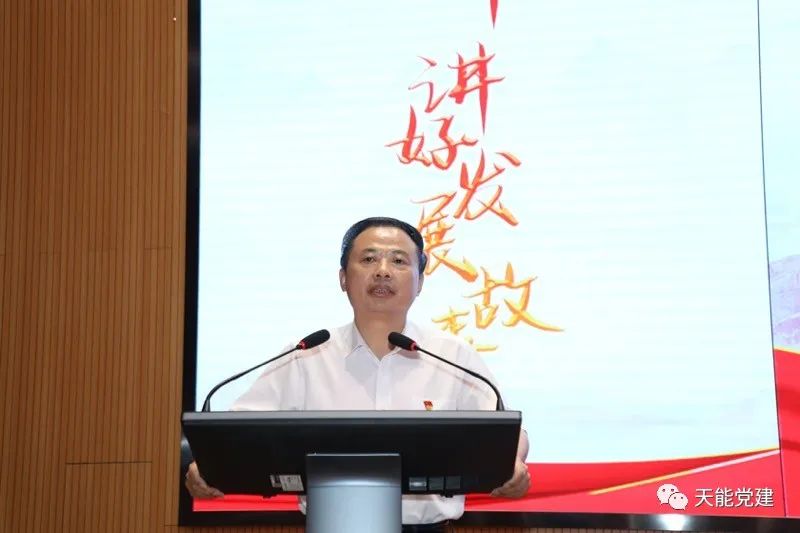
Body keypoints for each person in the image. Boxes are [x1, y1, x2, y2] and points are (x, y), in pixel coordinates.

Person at [186, 217, 530, 531]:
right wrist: (209, 466)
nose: (383, 271)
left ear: (420, 281)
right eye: (368, 259)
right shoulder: (306, 354)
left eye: (399, 261)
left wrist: (512, 462)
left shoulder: (452, 356)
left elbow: (507, 433)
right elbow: (238, 432)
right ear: (343, 278)